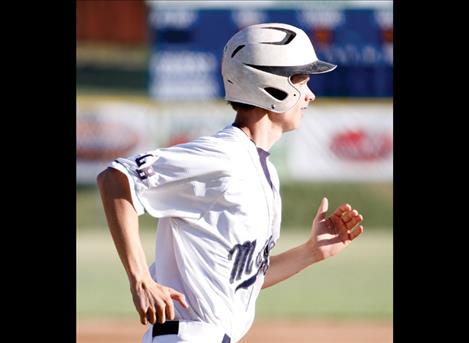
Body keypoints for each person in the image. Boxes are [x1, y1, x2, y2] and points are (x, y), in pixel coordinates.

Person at [97, 22, 364, 343]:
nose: (310, 94)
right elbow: (116, 178)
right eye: (301, 80)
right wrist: (141, 280)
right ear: (272, 85)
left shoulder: (261, 169)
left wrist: (311, 252)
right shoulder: (224, 156)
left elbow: (243, 279)